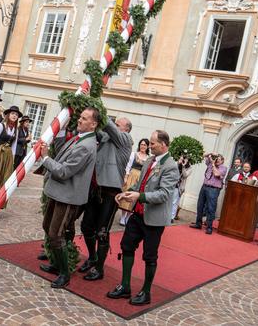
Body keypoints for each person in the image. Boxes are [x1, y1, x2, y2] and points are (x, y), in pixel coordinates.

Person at [107, 130, 179, 306]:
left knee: (149, 256)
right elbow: (140, 185)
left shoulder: (171, 166)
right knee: (126, 246)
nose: (149, 145)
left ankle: (146, 292)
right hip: (138, 214)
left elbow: (163, 194)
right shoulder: (149, 161)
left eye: (153, 143)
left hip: (154, 220)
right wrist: (126, 193)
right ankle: (125, 286)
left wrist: (139, 196)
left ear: (163, 145)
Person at [37, 107, 99, 289]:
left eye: (84, 118)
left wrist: (45, 158)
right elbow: (63, 157)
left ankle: (64, 273)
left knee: (56, 234)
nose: (79, 120)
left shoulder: (86, 145)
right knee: (48, 227)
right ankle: (57, 265)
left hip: (67, 196)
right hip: (59, 192)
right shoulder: (80, 139)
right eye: (80, 117)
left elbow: (64, 171)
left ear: (93, 124)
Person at [78, 116, 133, 281]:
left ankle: (100, 269)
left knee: (102, 232)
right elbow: (98, 131)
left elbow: (109, 127)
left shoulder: (125, 139)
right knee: (87, 227)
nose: (114, 127)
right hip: (95, 189)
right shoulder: (106, 137)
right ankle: (93, 257)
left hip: (110, 192)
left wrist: (98, 111)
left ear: (125, 129)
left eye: (118, 125)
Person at [190, 153, 228, 234]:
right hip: (204, 186)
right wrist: (211, 154)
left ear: (222, 161)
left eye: (219, 159)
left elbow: (216, 174)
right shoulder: (210, 164)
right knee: (200, 206)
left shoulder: (223, 168)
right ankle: (198, 223)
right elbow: (203, 156)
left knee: (211, 208)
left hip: (214, 189)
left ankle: (209, 227)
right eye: (216, 158)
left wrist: (213, 164)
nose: (217, 160)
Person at [120, 138, 150, 225]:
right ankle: (122, 217)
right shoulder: (134, 154)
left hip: (140, 178)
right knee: (127, 195)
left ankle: (128, 216)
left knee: (134, 198)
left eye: (144, 145)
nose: (143, 146)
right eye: (141, 144)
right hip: (132, 175)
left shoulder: (148, 158)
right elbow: (128, 166)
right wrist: (126, 176)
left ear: (147, 147)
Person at [171, 155, 191, 222]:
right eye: (183, 158)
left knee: (175, 202)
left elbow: (185, 175)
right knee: (168, 201)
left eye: (186, 158)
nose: (184, 159)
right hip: (171, 184)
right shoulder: (176, 163)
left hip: (179, 187)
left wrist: (183, 166)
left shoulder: (189, 168)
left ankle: (171, 217)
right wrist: (178, 163)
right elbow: (171, 170)